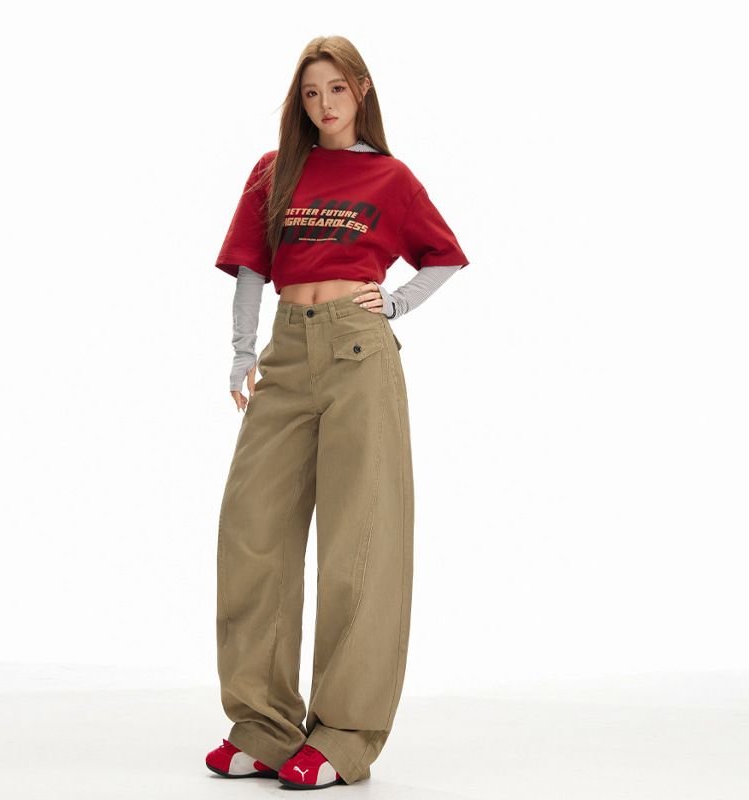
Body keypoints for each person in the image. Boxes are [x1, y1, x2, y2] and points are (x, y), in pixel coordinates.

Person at [205, 35, 469, 789]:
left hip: (359, 354)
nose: (323, 105)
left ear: (362, 90)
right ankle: (263, 726)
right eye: (311, 93)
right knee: (252, 532)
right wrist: (242, 352)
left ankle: (345, 737)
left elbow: (444, 256)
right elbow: (251, 267)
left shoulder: (391, 177)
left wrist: (395, 304)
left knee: (360, 541)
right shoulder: (274, 171)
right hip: (286, 354)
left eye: (336, 90)